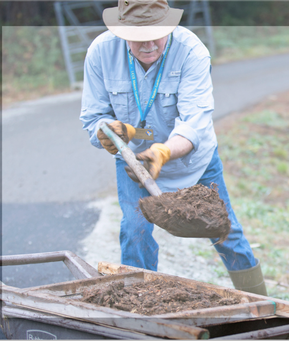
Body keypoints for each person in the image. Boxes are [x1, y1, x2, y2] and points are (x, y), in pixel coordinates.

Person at [79, 0, 266, 296]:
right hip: (134, 163)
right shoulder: (101, 53)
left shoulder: (191, 52)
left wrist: (163, 152)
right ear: (122, 31)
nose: (151, 44)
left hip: (195, 163)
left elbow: (195, 124)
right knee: (134, 231)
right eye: (140, 37)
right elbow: (93, 117)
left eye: (159, 33)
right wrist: (107, 131)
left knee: (227, 232)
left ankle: (262, 306)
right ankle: (139, 306)